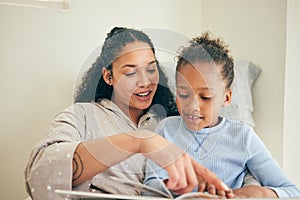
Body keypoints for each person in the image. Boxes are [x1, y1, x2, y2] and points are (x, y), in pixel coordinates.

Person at [24, 27, 233, 200]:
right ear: (108, 76)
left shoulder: (173, 122)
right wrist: (139, 140)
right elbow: (40, 174)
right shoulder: (82, 116)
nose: (145, 82)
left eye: (151, 69)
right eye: (131, 72)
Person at [143, 32, 300, 198]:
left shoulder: (242, 136)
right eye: (183, 94)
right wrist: (182, 186)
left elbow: (292, 191)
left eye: (206, 97)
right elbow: (149, 187)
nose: (193, 106)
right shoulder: (166, 130)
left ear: (226, 98)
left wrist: (263, 193)